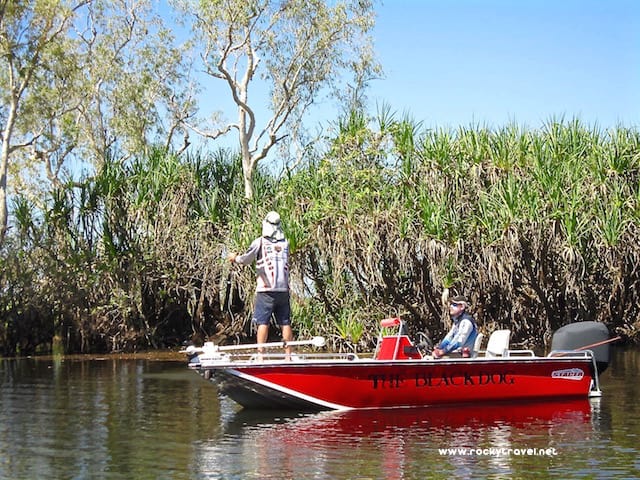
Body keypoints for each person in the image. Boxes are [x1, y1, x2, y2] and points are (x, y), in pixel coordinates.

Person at [228, 211, 293, 357]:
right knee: (285, 322)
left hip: (265, 291)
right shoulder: (285, 244)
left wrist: (234, 258)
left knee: (263, 322)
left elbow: (246, 260)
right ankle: (288, 356)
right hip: (283, 290)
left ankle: (261, 355)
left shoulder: (260, 242)